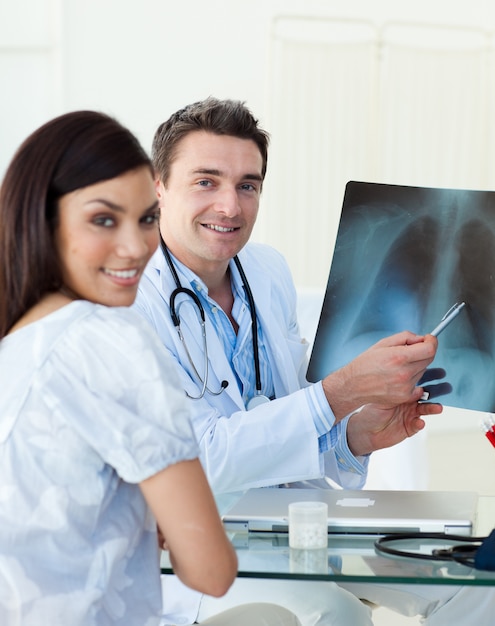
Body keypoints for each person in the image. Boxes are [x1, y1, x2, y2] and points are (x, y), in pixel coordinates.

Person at [133, 97, 494, 626]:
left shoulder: (266, 271)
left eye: (248, 185)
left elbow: (290, 427)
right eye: (206, 181)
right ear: (158, 186)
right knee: (332, 614)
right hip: (193, 542)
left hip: (298, 523)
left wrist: (356, 437)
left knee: (482, 590)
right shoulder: (126, 302)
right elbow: (195, 464)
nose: (230, 207)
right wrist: (341, 391)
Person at [0, 110, 302, 626]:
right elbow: (211, 570)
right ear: (44, 220)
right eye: (102, 219)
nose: (137, 247)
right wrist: (164, 519)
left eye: (144, 220)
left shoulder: (18, 339)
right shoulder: (117, 342)